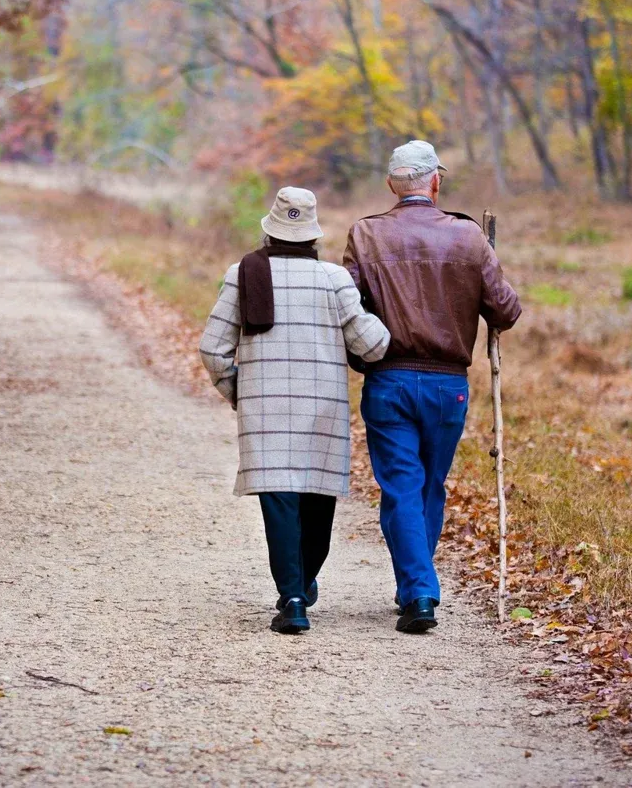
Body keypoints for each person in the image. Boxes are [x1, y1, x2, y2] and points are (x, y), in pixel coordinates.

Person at [343, 141, 522, 634]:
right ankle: (418, 588)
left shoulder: (365, 234)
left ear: (391, 185)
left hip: (389, 379)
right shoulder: (468, 237)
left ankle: (417, 589)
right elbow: (506, 310)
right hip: (448, 387)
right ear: (435, 182)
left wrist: (362, 350)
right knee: (428, 485)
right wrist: (486, 264)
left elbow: (345, 306)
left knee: (402, 486)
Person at [199, 187, 390, 635]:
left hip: (264, 412)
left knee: (279, 501)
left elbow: (212, 349)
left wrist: (239, 391)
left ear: (269, 231)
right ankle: (302, 583)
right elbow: (373, 345)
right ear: (313, 237)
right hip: (322, 408)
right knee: (317, 500)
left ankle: (294, 597)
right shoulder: (333, 279)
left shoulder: (242, 274)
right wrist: (379, 315)